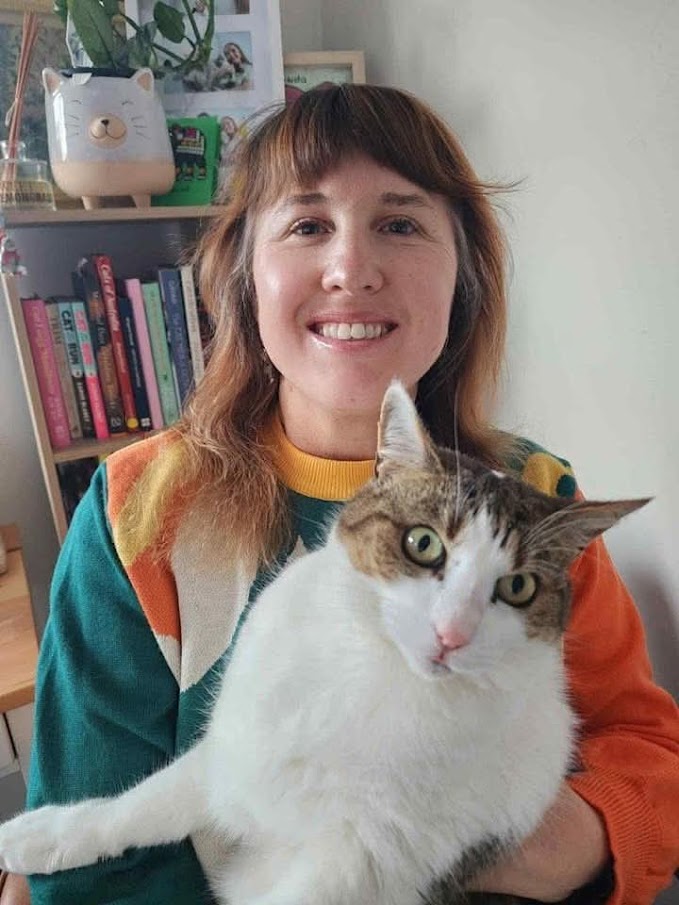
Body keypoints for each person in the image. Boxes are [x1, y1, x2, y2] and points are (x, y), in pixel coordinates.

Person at [4, 85, 678, 905]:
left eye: (399, 224)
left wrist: (545, 839)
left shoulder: (539, 498)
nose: (351, 269)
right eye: (307, 225)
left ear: (463, 274)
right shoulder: (139, 509)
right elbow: (86, 871)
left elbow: (647, 748)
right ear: (243, 276)